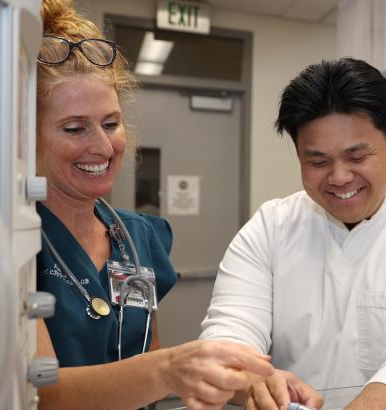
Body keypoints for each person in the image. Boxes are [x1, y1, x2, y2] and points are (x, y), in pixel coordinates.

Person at [198, 57, 386, 410]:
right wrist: (253, 381)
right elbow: (228, 337)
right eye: (318, 162)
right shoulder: (269, 228)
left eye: (357, 157)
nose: (339, 177)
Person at [33, 1, 276, 409]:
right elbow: (42, 392)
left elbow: (147, 366)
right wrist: (169, 369)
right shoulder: (15, 243)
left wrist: (250, 382)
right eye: (74, 128)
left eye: (111, 124)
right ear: (27, 136)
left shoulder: (137, 237)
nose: (102, 146)